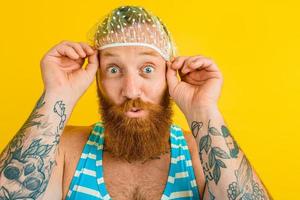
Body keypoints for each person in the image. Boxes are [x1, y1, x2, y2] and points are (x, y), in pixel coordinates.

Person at [0, 5, 272, 200]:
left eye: (148, 69)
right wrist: (57, 95)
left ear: (170, 75)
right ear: (97, 80)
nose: (131, 90)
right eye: (114, 70)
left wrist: (204, 110)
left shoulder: (202, 158)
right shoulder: (64, 151)